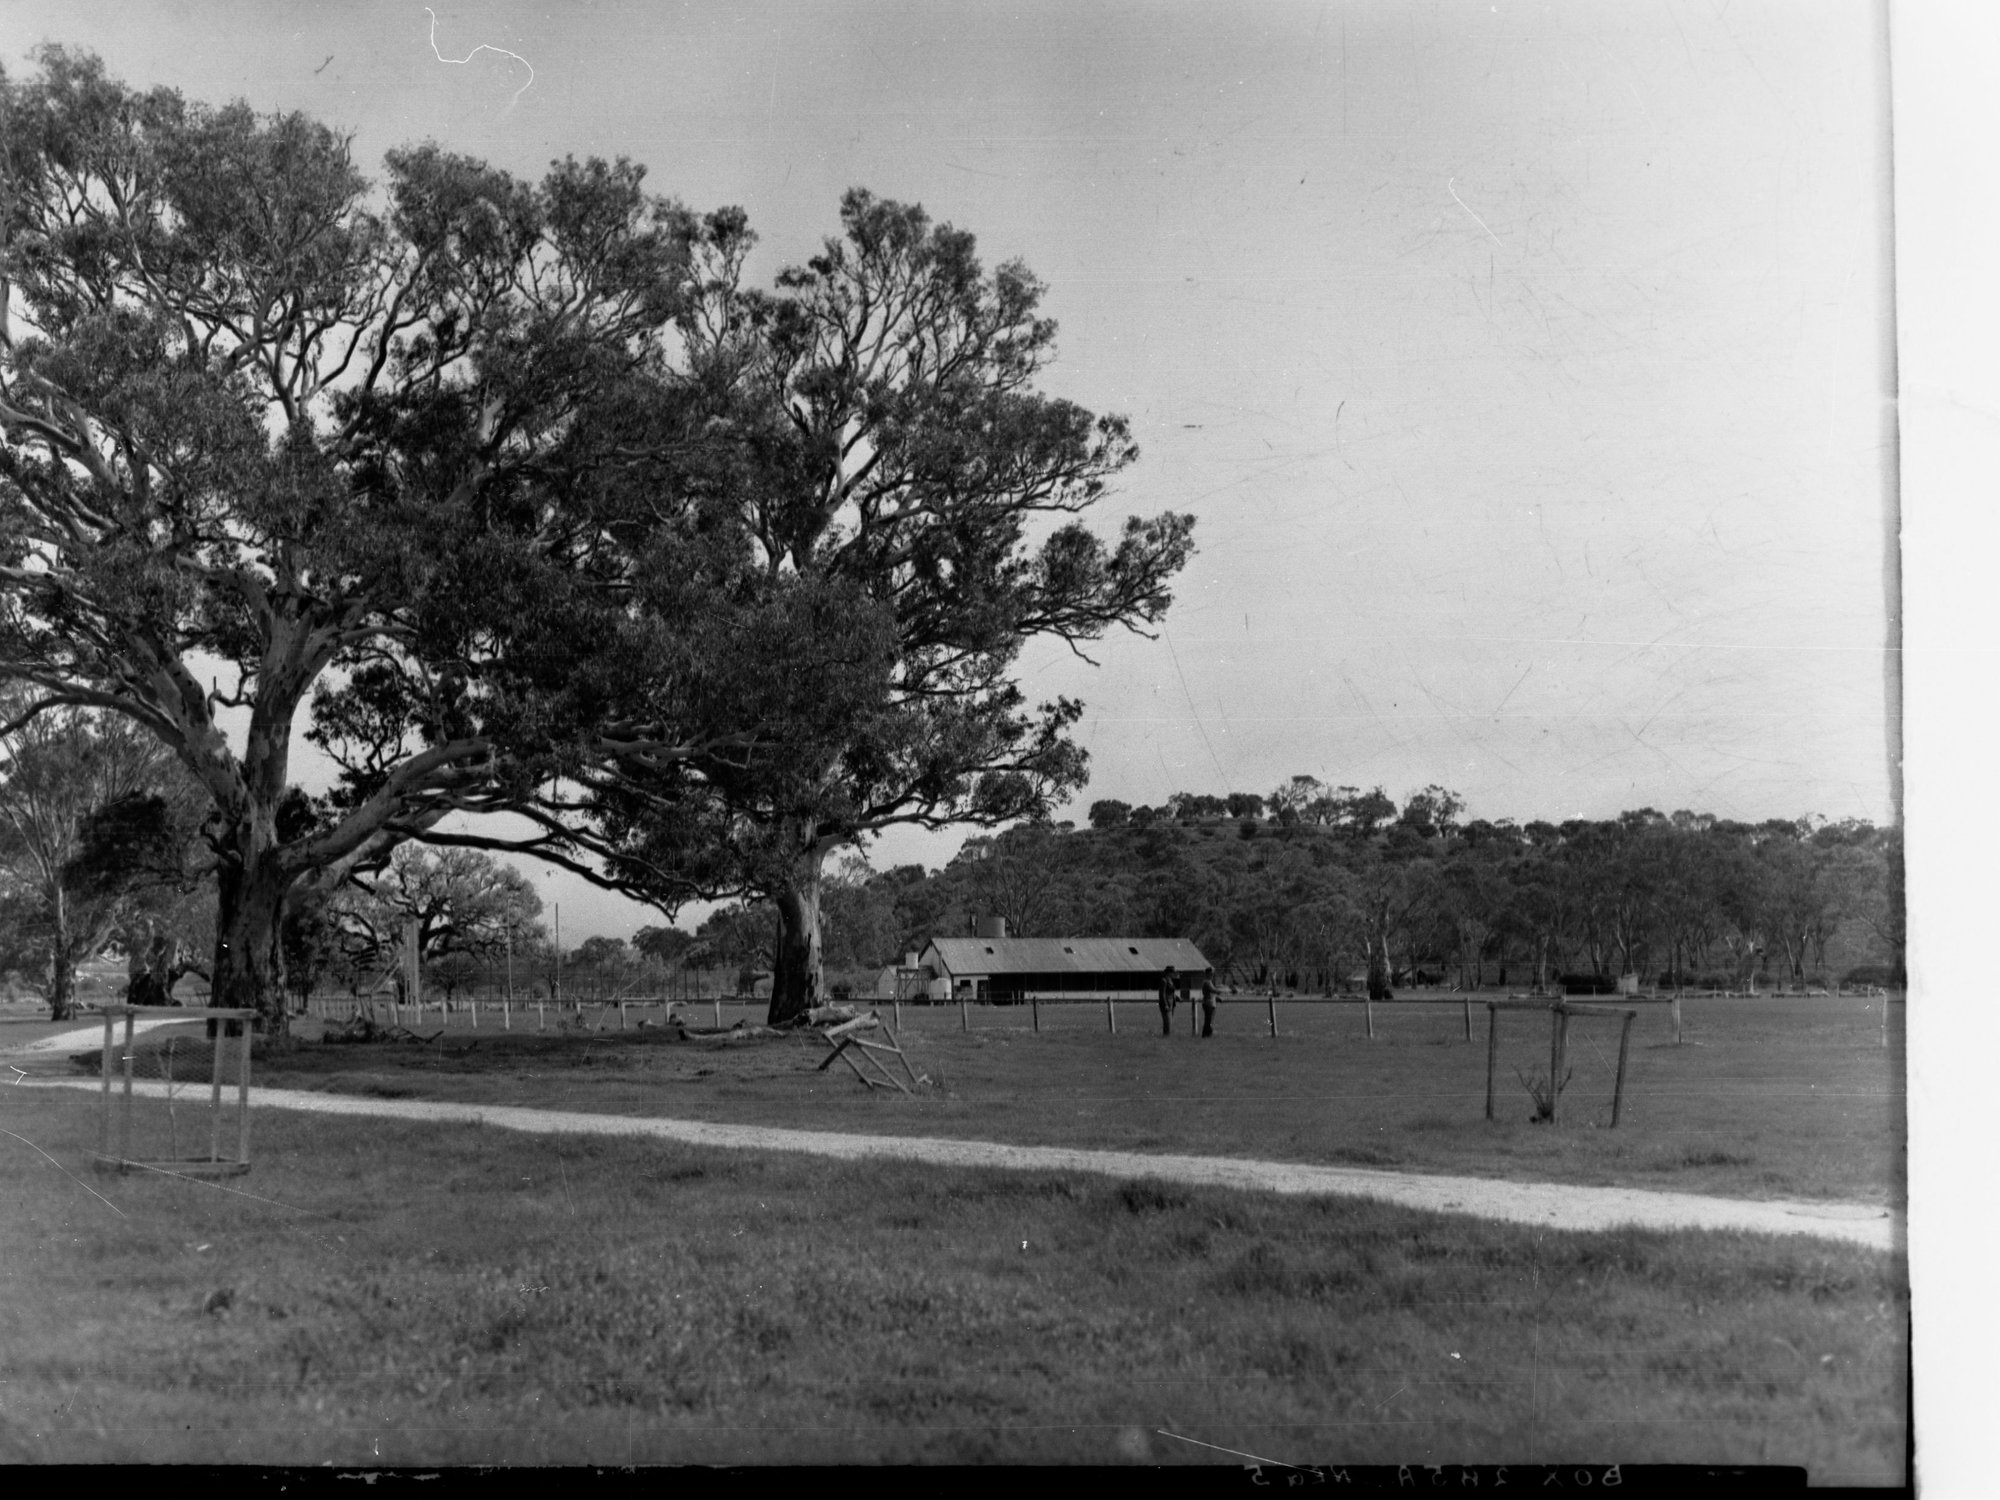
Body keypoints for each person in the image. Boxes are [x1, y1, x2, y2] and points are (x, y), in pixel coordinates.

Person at [1157, 965, 1177, 1036]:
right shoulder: (1164, 981)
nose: (1174, 974)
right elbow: (1162, 994)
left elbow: (1171, 992)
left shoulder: (1170, 980)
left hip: (1171, 1003)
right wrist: (1165, 1004)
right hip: (1166, 1004)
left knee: (1169, 1022)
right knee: (1167, 1022)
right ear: (1169, 973)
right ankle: (1166, 1036)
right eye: (1173, 972)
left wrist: (1177, 998)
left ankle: (1167, 1036)